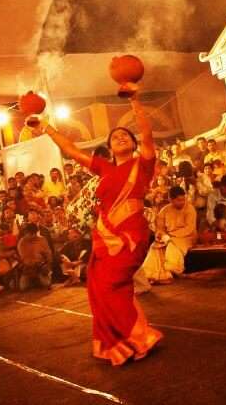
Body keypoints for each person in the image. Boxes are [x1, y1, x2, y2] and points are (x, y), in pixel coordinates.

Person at [44, 88, 162, 366]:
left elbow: (147, 134)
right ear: (109, 148)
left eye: (125, 135)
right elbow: (71, 150)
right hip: (104, 238)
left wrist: (134, 100)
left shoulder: (141, 164)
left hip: (130, 237)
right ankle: (122, 342)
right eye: (114, 137)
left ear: (133, 144)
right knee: (99, 288)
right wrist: (46, 128)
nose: (120, 137)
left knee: (111, 285)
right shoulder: (105, 169)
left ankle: (140, 337)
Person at [143, 186, 196, 280]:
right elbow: (159, 228)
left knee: (171, 245)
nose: (182, 202)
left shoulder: (190, 209)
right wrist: (162, 236)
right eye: (179, 200)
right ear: (170, 199)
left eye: (183, 199)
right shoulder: (164, 210)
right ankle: (152, 274)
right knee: (155, 246)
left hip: (186, 237)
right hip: (168, 237)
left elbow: (189, 228)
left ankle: (172, 270)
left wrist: (170, 236)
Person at [16, 224, 53, 291]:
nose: (33, 236)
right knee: (23, 287)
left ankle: (38, 280)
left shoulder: (42, 240)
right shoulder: (22, 242)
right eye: (29, 234)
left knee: (46, 284)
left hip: (40, 267)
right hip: (28, 269)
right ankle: (33, 281)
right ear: (26, 233)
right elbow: (24, 258)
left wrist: (47, 265)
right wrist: (30, 265)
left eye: (34, 234)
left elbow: (48, 254)